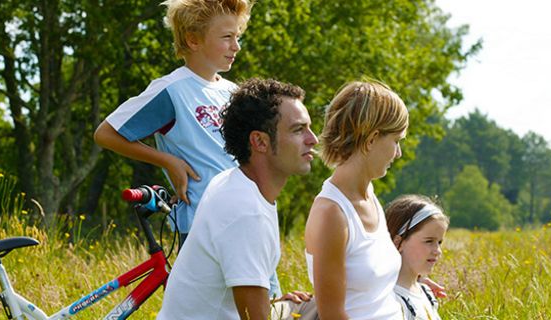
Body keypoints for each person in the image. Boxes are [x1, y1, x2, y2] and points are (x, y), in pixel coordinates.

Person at [93, 0, 251, 247]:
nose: (236, 46)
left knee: (265, 288)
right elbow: (106, 134)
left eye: (237, 36)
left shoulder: (235, 93)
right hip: (202, 223)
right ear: (193, 40)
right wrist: (168, 161)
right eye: (227, 37)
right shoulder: (172, 90)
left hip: (246, 217)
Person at [157, 78, 319, 320]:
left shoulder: (232, 182)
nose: (312, 139)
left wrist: (275, 305)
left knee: (325, 304)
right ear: (260, 141)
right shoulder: (245, 212)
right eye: (298, 130)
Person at [304, 80, 408, 319]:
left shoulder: (369, 196)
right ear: (371, 139)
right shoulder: (331, 214)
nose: (398, 152)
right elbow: (333, 315)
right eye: (396, 141)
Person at [385, 195, 449, 320]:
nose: (438, 251)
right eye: (429, 241)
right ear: (398, 242)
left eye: (439, 242)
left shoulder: (426, 292)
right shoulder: (390, 301)